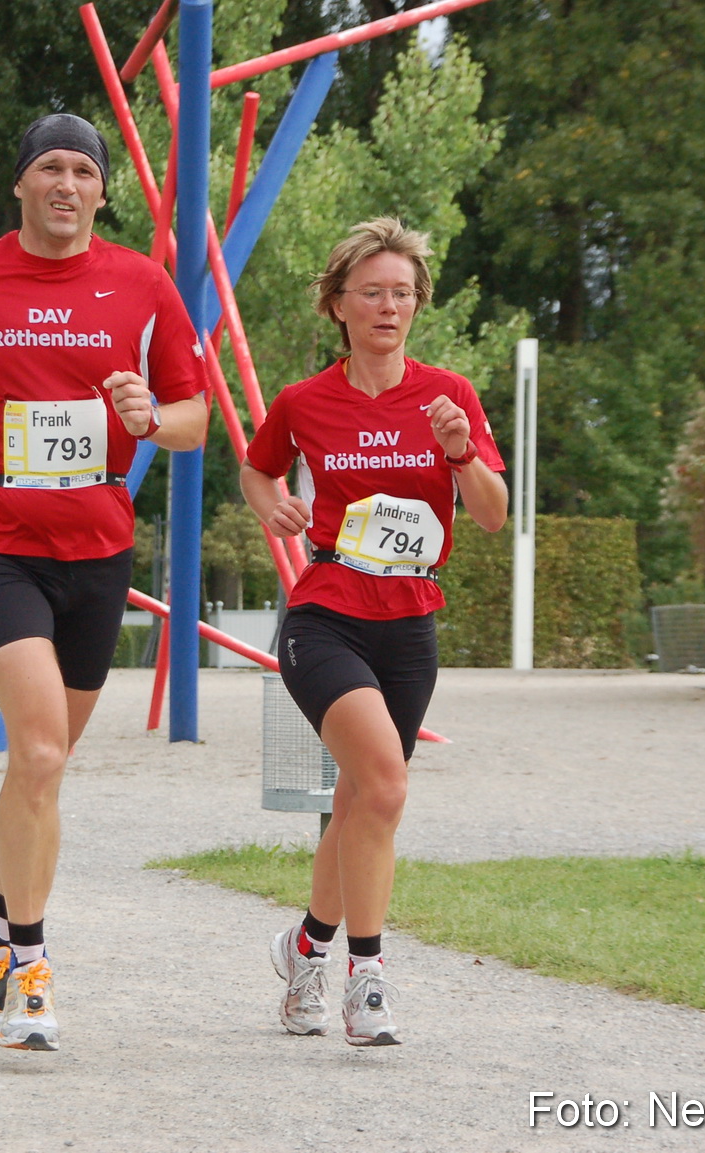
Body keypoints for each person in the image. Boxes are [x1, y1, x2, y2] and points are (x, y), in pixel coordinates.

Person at [0, 113, 209, 1051]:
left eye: (83, 170)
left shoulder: (143, 285)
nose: (66, 183)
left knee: (42, 771)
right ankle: (26, 964)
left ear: (103, 191)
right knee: (43, 752)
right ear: (20, 184)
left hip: (97, 545)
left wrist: (152, 415)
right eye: (48, 167)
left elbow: (194, 420)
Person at [240, 218, 507, 1046]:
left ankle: (304, 950)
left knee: (361, 799)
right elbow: (259, 464)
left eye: (403, 293)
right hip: (325, 614)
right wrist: (271, 505)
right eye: (373, 293)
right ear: (339, 306)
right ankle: (368, 977)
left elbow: (494, 517)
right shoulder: (303, 400)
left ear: (417, 304)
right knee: (385, 785)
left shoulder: (450, 394)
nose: (390, 306)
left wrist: (462, 458)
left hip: (410, 620)